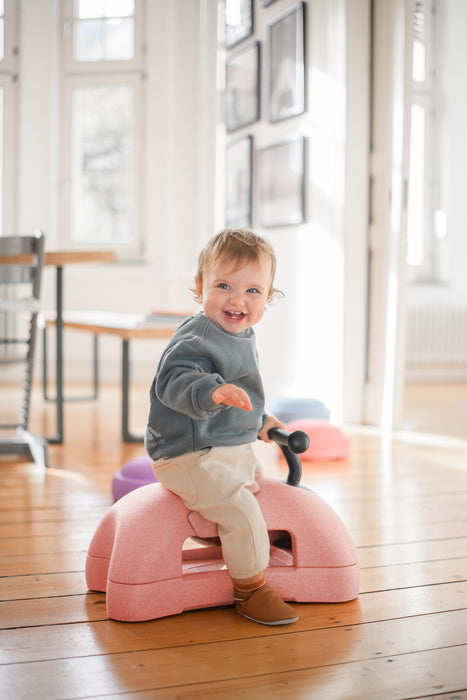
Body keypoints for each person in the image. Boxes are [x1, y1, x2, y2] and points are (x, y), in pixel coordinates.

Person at [145, 228, 298, 626]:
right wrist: (212, 392)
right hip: (187, 452)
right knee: (239, 504)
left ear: (268, 297)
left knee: (259, 485)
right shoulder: (196, 335)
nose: (237, 299)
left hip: (224, 446)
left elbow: (241, 396)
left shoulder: (242, 335)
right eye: (224, 285)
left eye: (252, 291)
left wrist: (260, 422)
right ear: (200, 287)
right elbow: (173, 382)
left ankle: (245, 540)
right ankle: (249, 589)